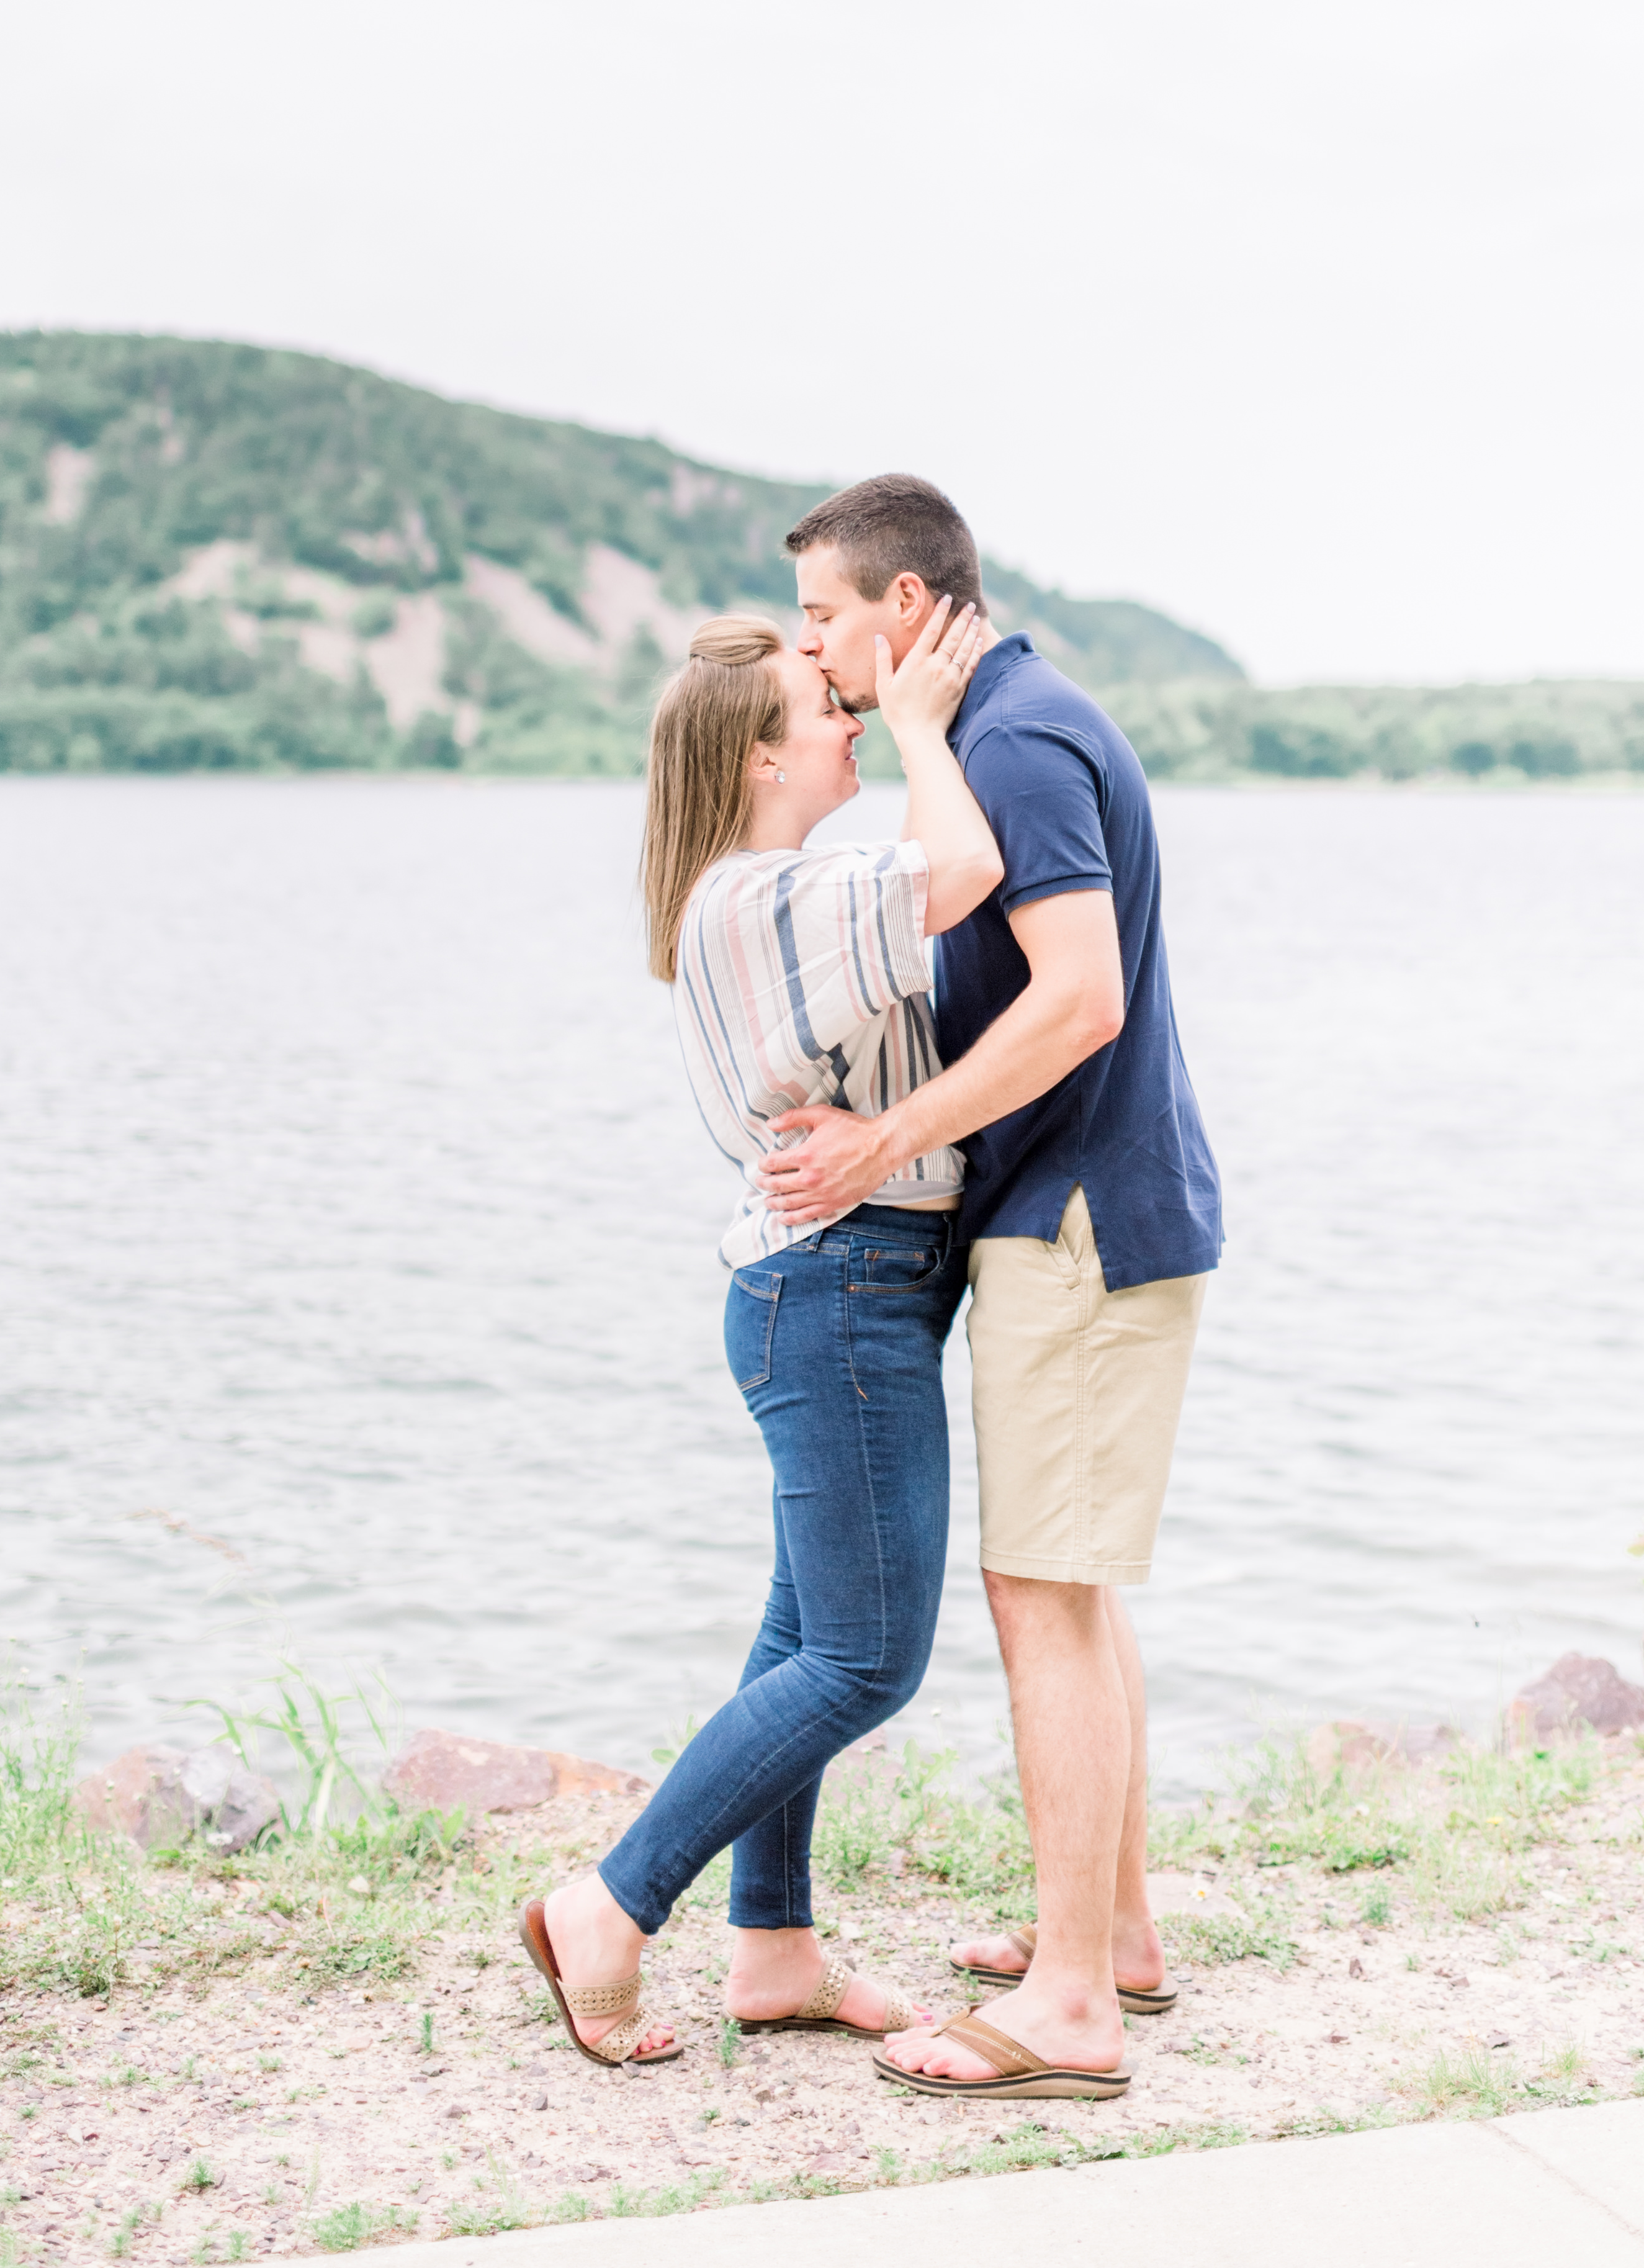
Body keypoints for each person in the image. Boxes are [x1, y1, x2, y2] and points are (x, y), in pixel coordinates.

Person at [760, 474, 1223, 2103]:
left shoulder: (1013, 743)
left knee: (1038, 1596)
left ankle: (1078, 2007)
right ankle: (1116, 1934)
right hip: (1085, 1217)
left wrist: (883, 1135)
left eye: (821, 615)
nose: (807, 646)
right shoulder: (1008, 724)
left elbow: (1080, 997)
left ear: (897, 612)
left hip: (1079, 1224)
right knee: (1073, 1589)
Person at [520, 595, 1003, 2068]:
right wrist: (927, 725)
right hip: (840, 1291)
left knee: (804, 1633)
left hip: (835, 1290)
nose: (848, 716)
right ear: (755, 756)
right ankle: (612, 1903)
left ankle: (773, 1947)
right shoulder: (764, 894)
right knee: (864, 1660)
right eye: (826, 705)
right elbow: (970, 865)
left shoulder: (773, 889)